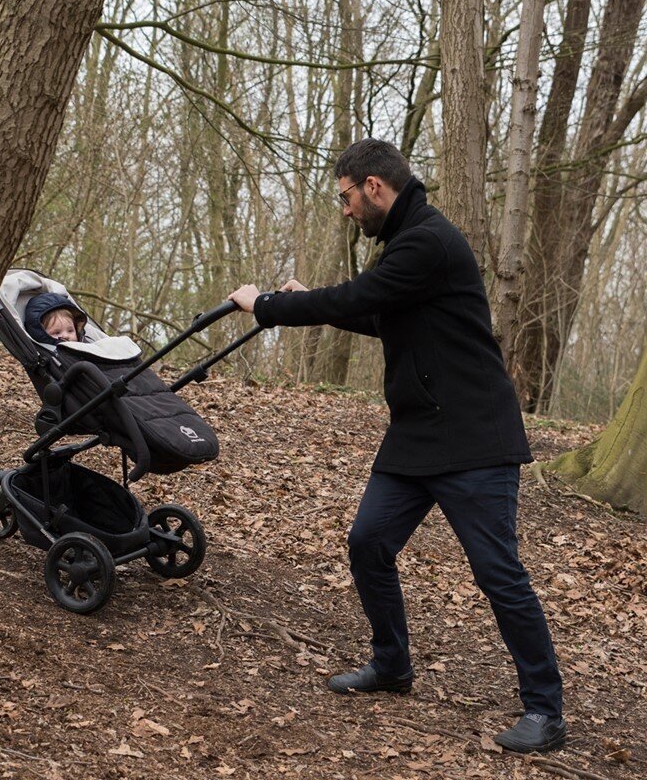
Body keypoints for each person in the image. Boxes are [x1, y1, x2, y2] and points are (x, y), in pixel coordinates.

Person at [228, 139, 565, 754]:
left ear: (374, 187)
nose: (346, 211)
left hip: (473, 438)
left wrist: (273, 306)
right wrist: (311, 300)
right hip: (418, 434)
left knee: (498, 574)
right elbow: (380, 313)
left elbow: (361, 298)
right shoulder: (407, 246)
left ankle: (545, 710)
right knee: (369, 541)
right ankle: (391, 664)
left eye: (347, 198)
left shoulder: (427, 241)